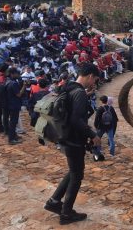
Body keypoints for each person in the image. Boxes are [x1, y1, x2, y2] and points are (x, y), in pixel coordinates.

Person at [44, 63, 102, 225]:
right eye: (94, 80)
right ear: (90, 76)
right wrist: (93, 135)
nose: (94, 83)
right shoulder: (79, 93)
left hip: (64, 136)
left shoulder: (69, 87)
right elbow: (76, 120)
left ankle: (54, 202)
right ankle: (66, 214)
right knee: (77, 176)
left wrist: (84, 94)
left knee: (74, 171)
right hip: (74, 140)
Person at [4, 67, 25, 144]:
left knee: (13, 121)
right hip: (14, 105)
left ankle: (14, 135)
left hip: (9, 104)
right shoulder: (14, 83)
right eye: (16, 73)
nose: (17, 74)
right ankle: (11, 139)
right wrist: (24, 86)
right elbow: (19, 94)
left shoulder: (8, 81)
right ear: (12, 74)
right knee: (13, 122)